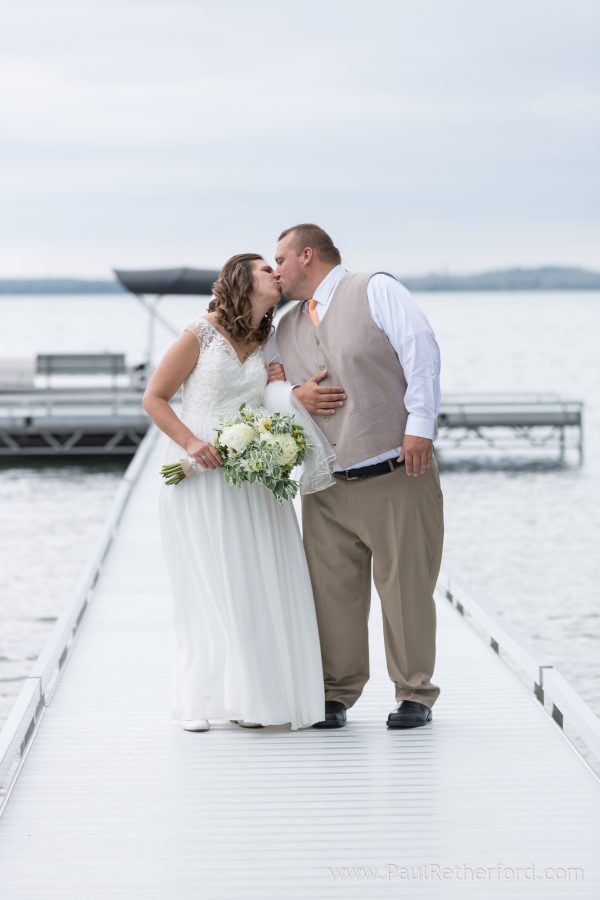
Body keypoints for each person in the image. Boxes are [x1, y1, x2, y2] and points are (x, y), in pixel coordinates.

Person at [142, 253, 331, 732]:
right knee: (207, 580)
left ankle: (251, 697)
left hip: (250, 473)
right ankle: (198, 699)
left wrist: (281, 391)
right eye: (267, 268)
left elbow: (270, 401)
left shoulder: (267, 339)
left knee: (252, 580)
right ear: (241, 280)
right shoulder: (199, 333)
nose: (276, 273)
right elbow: (154, 397)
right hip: (197, 469)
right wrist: (190, 442)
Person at [274, 224, 444, 729]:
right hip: (326, 483)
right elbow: (265, 387)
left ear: (307, 255)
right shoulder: (283, 327)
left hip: (396, 468)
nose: (275, 268)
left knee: (407, 588)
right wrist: (292, 396)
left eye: (279, 258)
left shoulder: (375, 289)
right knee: (331, 595)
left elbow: (421, 350)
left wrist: (421, 427)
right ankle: (336, 694)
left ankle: (415, 693)